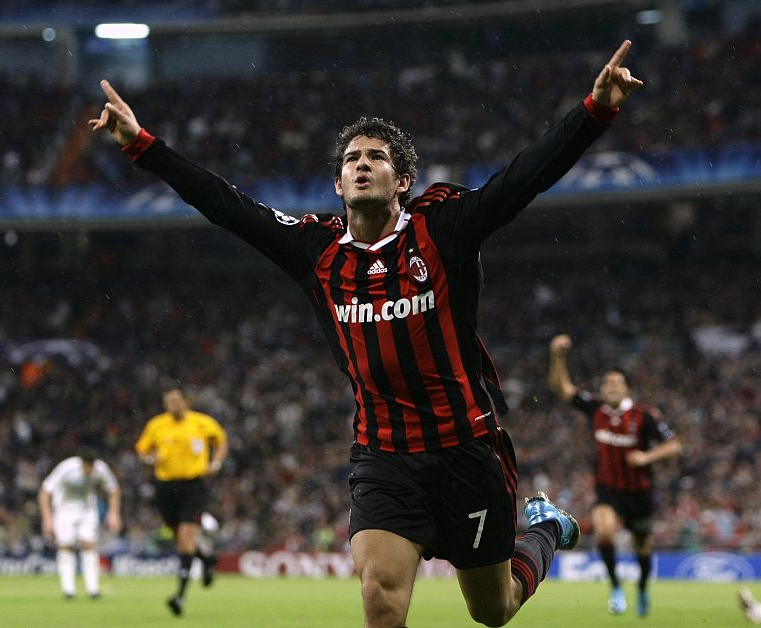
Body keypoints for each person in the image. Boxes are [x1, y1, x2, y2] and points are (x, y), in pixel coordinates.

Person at [92, 40, 642, 627]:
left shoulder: (445, 228)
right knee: (381, 600)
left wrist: (595, 111)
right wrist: (141, 145)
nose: (360, 163)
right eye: (351, 158)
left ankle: (545, 530)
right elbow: (226, 204)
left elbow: (523, 178)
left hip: (464, 449)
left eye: (376, 157)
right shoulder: (317, 249)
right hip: (383, 455)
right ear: (337, 184)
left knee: (493, 609)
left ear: (402, 178)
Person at [548, 334, 682, 618]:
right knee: (604, 531)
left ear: (627, 388)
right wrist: (557, 356)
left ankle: (643, 587)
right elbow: (562, 388)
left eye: (616, 382)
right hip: (608, 490)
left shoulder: (645, 415)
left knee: (642, 547)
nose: (611, 386)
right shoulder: (596, 409)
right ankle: (616, 588)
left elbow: (674, 445)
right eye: (607, 383)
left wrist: (647, 456)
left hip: (640, 493)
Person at [135, 388, 229, 617]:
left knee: (186, 540)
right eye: (169, 401)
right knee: (180, 540)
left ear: (185, 402)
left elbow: (221, 441)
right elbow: (142, 450)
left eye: (177, 400)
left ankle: (179, 596)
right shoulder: (157, 425)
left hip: (193, 486)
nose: (174, 404)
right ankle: (206, 558)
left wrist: (215, 463)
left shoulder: (201, 422)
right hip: (166, 488)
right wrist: (149, 459)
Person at [39, 449, 121, 600]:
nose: (89, 471)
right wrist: (47, 518)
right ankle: (68, 590)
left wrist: (113, 513)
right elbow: (45, 491)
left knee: (89, 544)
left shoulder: (100, 469)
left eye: (91, 467)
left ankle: (93, 590)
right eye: (86, 467)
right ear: (81, 463)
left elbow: (113, 489)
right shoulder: (67, 468)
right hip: (64, 509)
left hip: (87, 509)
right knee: (66, 545)